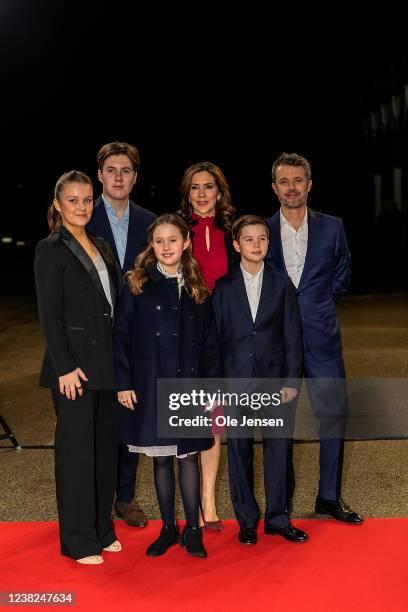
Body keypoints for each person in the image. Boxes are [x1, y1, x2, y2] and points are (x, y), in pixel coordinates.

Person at [112, 213, 221, 558]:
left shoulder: (196, 285)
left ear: (186, 243)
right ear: (151, 245)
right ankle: (168, 529)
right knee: (161, 461)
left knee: (187, 459)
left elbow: (209, 343)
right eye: (158, 241)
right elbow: (120, 336)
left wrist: (212, 388)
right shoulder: (137, 283)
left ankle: (192, 529)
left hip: (188, 384)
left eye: (172, 240)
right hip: (150, 382)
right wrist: (124, 382)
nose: (165, 247)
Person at [266, 152, 363, 524]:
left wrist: (317, 306)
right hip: (278, 341)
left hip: (322, 338)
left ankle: (329, 498)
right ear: (275, 187)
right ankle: (281, 502)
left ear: (309, 183)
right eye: (284, 181)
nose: (292, 188)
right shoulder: (261, 229)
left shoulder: (332, 227)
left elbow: (341, 274)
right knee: (279, 423)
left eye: (298, 180)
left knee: (334, 416)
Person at [34, 171, 123, 564]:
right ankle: (77, 539)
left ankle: (102, 530)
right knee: (76, 456)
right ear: (58, 204)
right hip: (72, 371)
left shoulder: (102, 246)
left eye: (87, 200)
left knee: (105, 452)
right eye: (73, 200)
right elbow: (49, 315)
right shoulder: (50, 249)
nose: (82, 207)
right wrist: (64, 367)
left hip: (105, 367)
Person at [212, 215, 306, 545]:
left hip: (274, 383)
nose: (256, 244)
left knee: (279, 449)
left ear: (269, 243)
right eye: (249, 239)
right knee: (239, 453)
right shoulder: (223, 288)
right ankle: (247, 521)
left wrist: (291, 382)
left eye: (262, 239)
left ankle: (278, 518)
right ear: (236, 245)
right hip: (235, 384)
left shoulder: (282, 285)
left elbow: (293, 337)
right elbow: (216, 340)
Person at [87, 142, 156, 528]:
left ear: (134, 176)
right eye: (111, 169)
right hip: (94, 337)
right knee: (98, 421)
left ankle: (125, 498)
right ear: (99, 174)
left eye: (126, 170)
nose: (118, 177)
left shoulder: (149, 221)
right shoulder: (81, 216)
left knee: (129, 415)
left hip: (134, 335)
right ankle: (97, 497)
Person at [178, 161, 238, 530]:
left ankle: (209, 501)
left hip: (226, 335)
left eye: (208, 187)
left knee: (216, 421)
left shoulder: (234, 229)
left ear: (220, 191)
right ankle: (190, 500)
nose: (202, 194)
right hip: (188, 335)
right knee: (189, 419)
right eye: (195, 187)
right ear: (187, 193)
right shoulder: (175, 229)